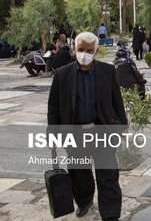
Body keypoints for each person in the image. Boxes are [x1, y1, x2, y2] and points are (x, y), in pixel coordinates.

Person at [47, 32, 127, 220]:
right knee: (79, 175)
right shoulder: (62, 74)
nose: (84, 53)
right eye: (81, 49)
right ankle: (84, 202)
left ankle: (111, 214)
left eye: (89, 50)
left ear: (96, 51)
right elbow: (54, 107)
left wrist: (123, 126)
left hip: (102, 132)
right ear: (75, 49)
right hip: (75, 134)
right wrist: (52, 134)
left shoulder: (108, 71)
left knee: (108, 176)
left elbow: (117, 100)